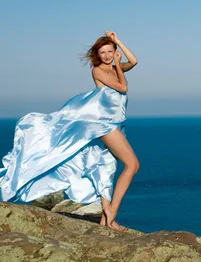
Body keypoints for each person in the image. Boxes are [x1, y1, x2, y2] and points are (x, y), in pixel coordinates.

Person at [0, 31, 139, 231]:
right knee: (132, 165)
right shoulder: (99, 71)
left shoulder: (115, 68)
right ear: (97, 55)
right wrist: (118, 63)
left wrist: (118, 41)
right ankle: (112, 212)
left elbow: (134, 61)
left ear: (115, 51)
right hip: (104, 124)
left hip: (116, 124)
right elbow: (122, 88)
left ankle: (106, 220)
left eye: (110, 51)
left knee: (106, 166)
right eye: (103, 53)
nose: (107, 56)